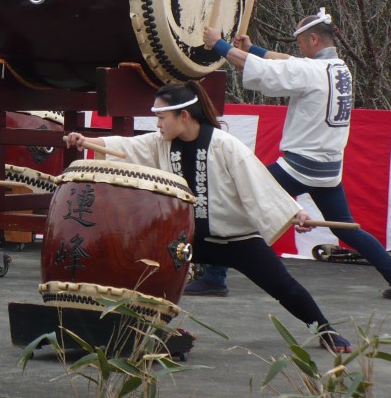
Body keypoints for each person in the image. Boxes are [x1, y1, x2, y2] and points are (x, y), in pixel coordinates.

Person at [63, 80, 352, 354]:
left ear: (184, 116)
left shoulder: (225, 145)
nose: (158, 124)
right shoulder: (160, 143)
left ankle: (325, 330)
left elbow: (258, 185)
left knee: (284, 287)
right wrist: (86, 141)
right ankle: (139, 329)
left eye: (162, 116)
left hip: (236, 239)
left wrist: (293, 213)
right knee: (145, 271)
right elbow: (125, 148)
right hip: (187, 240)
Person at [203, 8, 391, 300]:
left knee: (237, 201)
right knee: (347, 229)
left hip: (299, 166)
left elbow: (271, 70)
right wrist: (252, 49)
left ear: (314, 39)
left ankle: (215, 278)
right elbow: (290, 63)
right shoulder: (340, 69)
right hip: (328, 169)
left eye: (302, 41)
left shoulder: (311, 71)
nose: (300, 48)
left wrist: (220, 45)